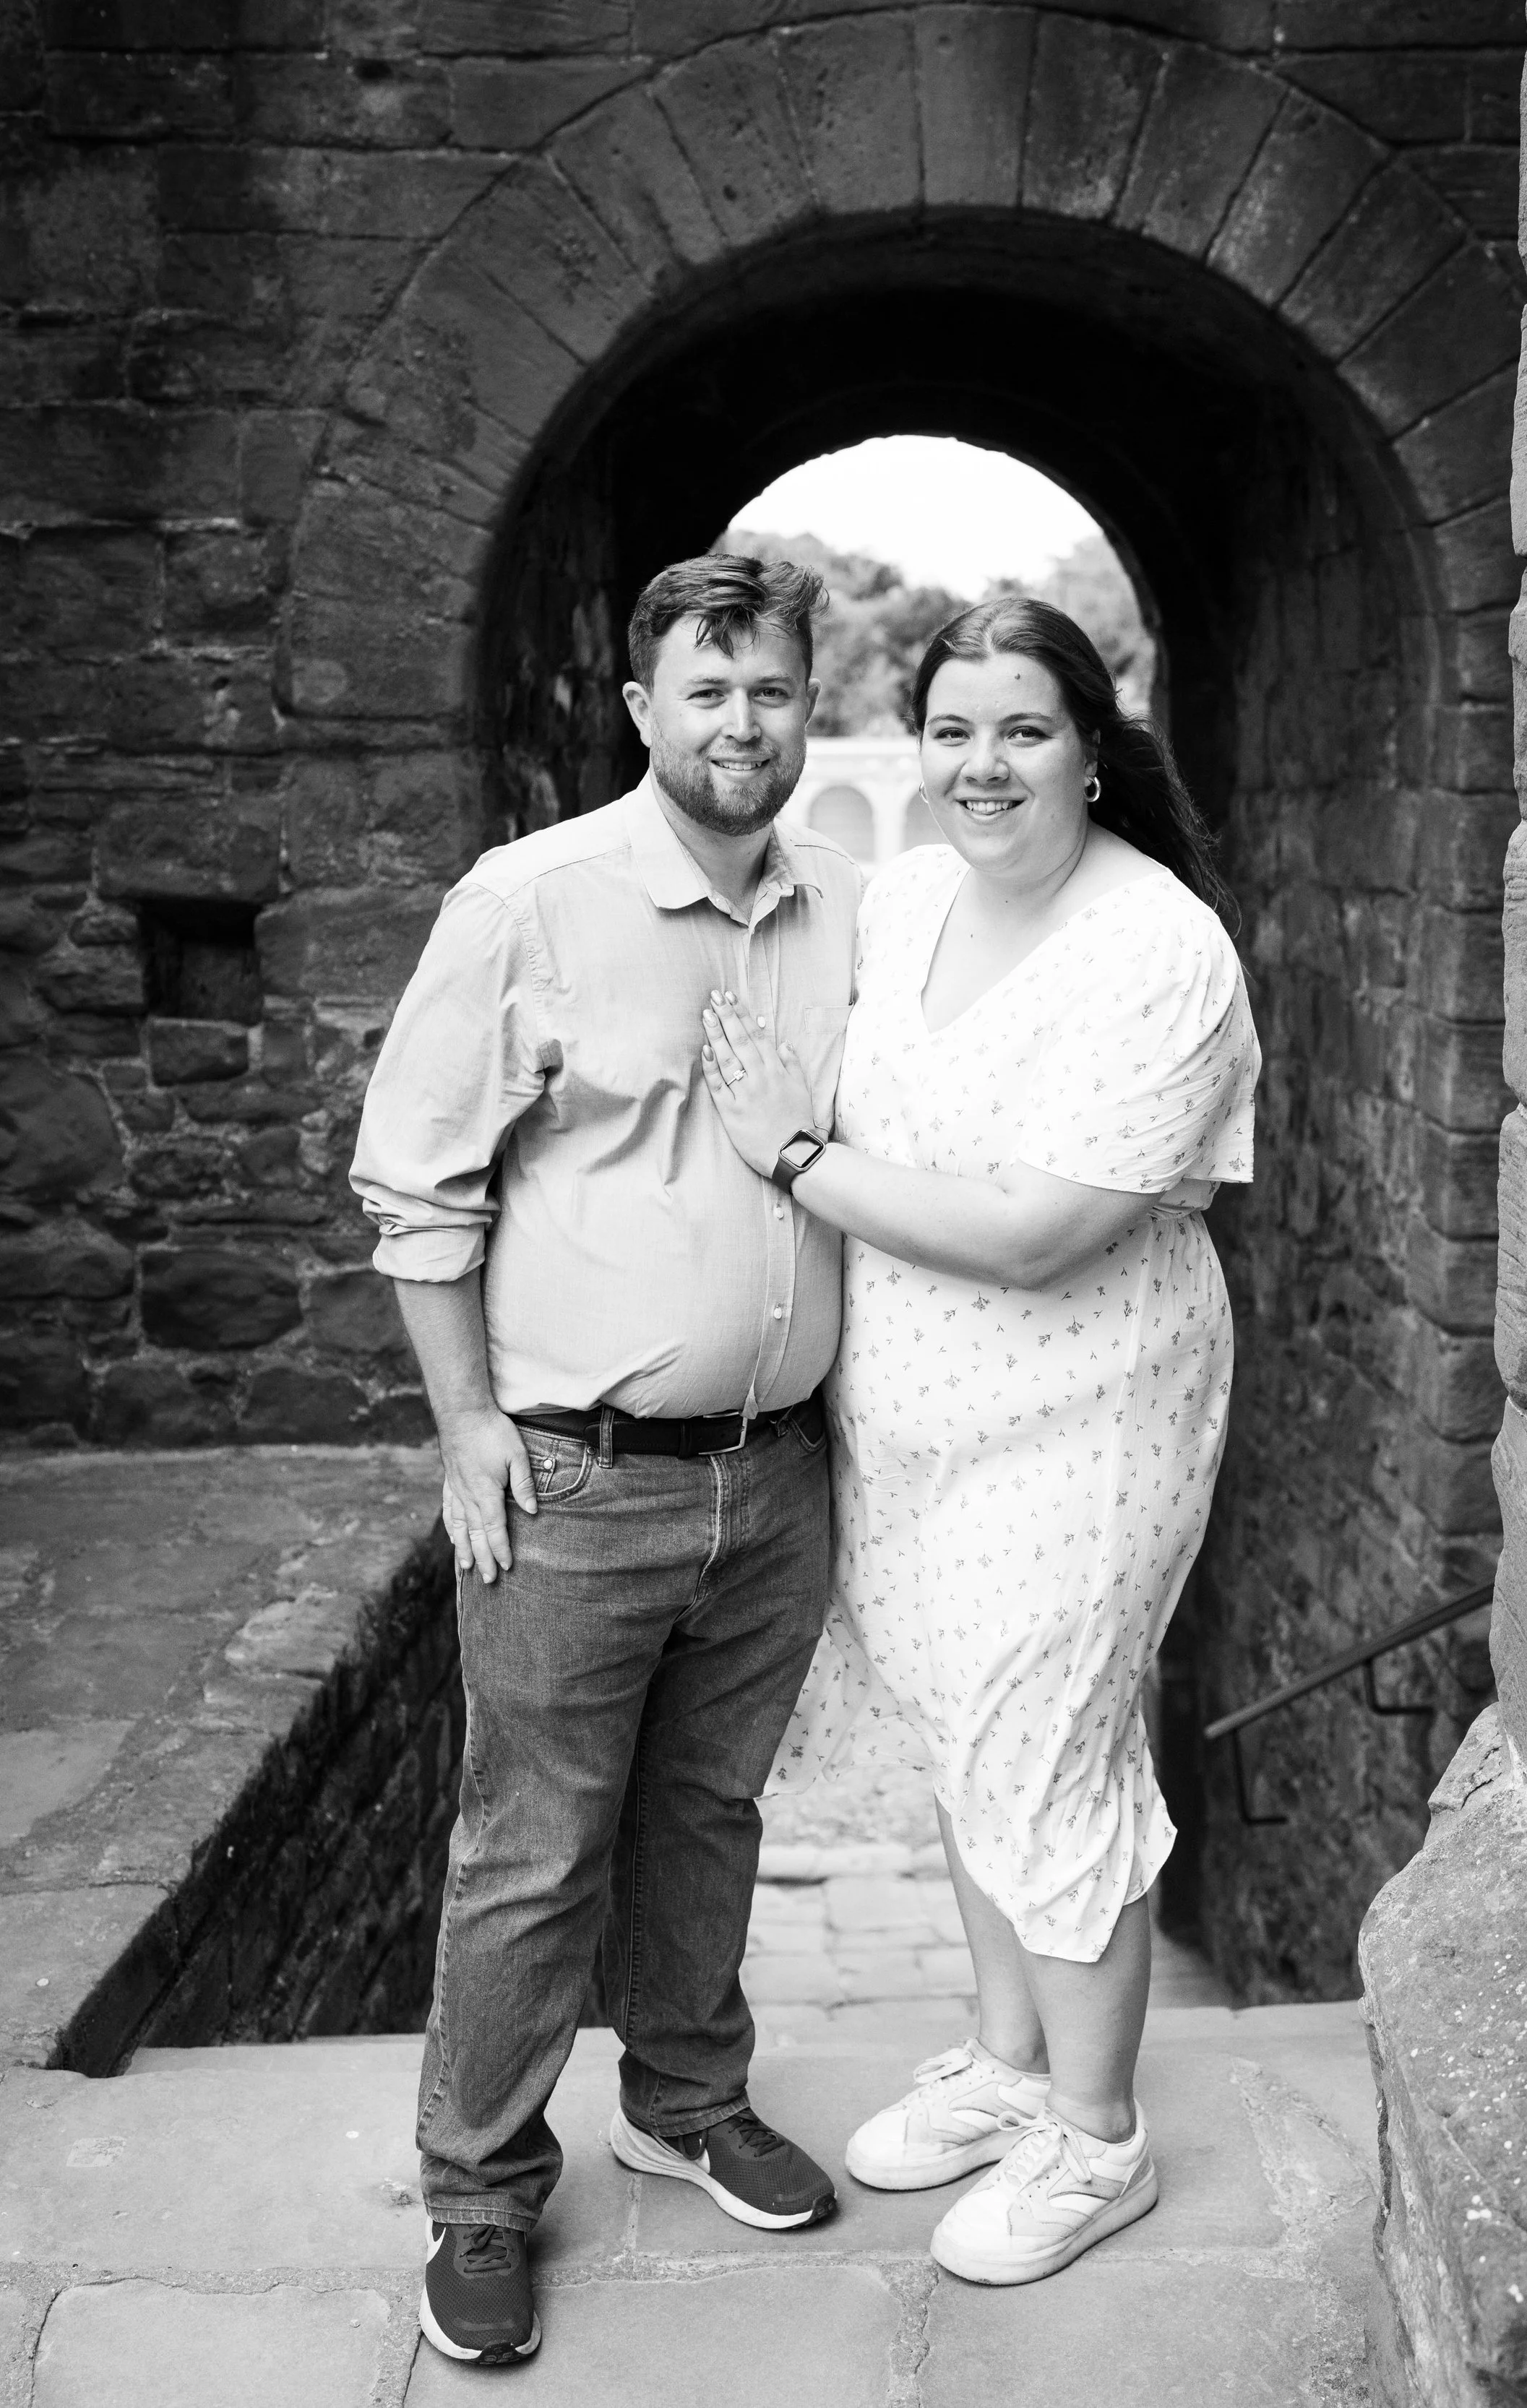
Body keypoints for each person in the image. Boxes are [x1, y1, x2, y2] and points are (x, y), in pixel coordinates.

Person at [697, 595, 1260, 2288]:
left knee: (1046, 1752)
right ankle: (1011, 2065)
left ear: (1091, 747)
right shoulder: (911, 897)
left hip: (1082, 1420)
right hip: (913, 1426)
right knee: (967, 1736)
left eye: (1022, 728)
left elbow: (1036, 1230)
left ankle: (1097, 2138)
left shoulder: (1157, 948)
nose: (980, 764)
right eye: (951, 730)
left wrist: (794, 1158)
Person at [349, 555, 862, 2369]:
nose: (741, 724)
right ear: (642, 708)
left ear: (808, 706)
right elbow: (418, 1181)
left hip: (774, 1476)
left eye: (771, 690)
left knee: (706, 1811)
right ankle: (482, 2190)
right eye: (706, 691)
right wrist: (465, 1424)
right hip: (576, 1479)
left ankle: (685, 2095)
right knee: (534, 1845)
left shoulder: (844, 907)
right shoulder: (531, 899)